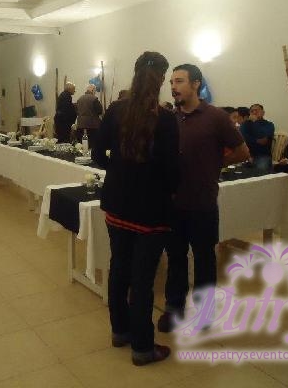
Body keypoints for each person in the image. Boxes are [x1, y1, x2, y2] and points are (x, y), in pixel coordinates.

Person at [92, 51, 180, 366]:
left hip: (117, 202)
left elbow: (97, 153)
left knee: (119, 269)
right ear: (162, 79)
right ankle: (142, 347)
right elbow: (172, 170)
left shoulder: (116, 110)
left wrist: (117, 169)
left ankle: (120, 331)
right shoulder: (166, 119)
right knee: (142, 280)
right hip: (150, 209)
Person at [158, 63, 249, 333]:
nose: (173, 87)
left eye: (179, 81)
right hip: (173, 202)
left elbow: (242, 151)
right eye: (171, 82)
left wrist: (215, 164)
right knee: (175, 257)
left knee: (204, 258)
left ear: (196, 84)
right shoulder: (169, 118)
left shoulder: (215, 116)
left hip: (202, 201)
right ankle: (174, 308)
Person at [240, 104, 275, 172]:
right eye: (252, 111)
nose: (254, 112)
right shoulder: (246, 124)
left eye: (257, 110)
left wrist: (255, 122)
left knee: (260, 173)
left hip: (262, 156)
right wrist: (256, 140)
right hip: (247, 156)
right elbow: (243, 138)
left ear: (263, 112)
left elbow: (263, 139)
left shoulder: (269, 125)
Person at [75, 84, 103, 148]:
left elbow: (76, 111)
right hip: (92, 125)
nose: (95, 92)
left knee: (82, 145)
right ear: (93, 90)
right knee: (92, 144)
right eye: (95, 91)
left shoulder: (79, 99)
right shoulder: (94, 99)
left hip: (80, 124)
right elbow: (99, 111)